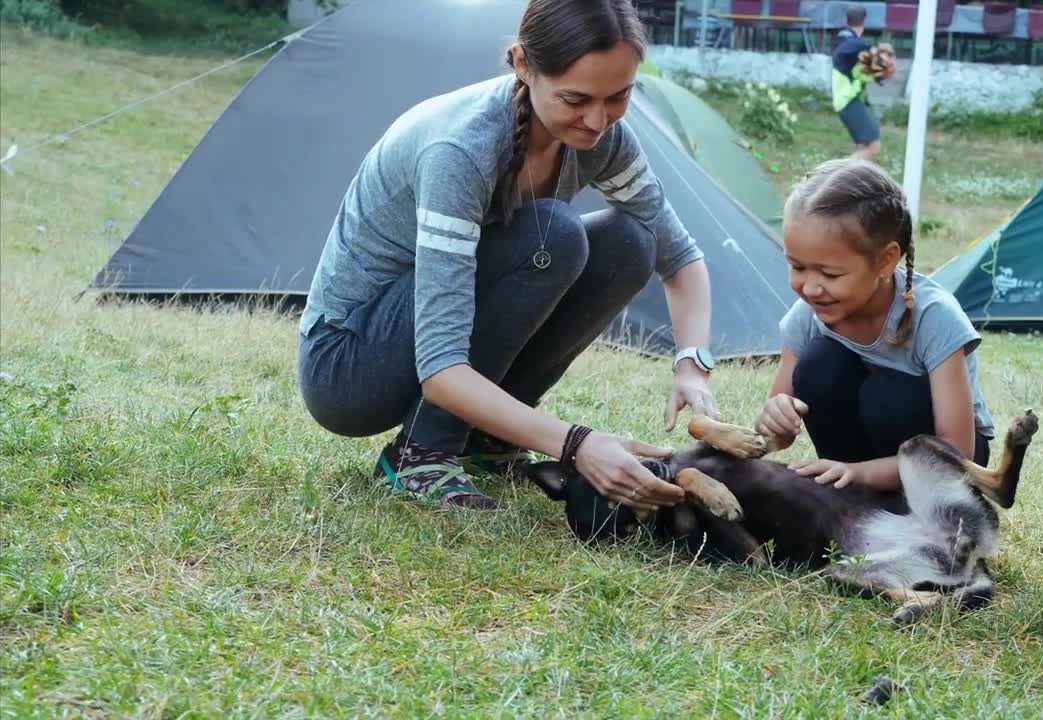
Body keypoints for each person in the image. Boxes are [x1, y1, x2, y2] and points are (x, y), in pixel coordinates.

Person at [296, 0, 721, 512]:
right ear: (523, 64)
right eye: (576, 98)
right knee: (554, 237)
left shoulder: (604, 138)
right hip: (348, 366)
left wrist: (692, 364)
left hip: (423, 348)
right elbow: (442, 368)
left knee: (632, 242)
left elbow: (678, 257)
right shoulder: (462, 150)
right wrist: (577, 443)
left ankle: (487, 441)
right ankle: (421, 453)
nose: (597, 120)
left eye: (619, 96)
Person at [753, 158, 995, 491]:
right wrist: (775, 417)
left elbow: (957, 453)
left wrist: (860, 473)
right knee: (818, 365)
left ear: (885, 261)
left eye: (830, 274)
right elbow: (775, 436)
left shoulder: (936, 317)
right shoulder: (807, 314)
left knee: (887, 396)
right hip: (857, 464)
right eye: (797, 267)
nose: (810, 288)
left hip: (949, 468)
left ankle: (889, 498)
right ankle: (857, 496)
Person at [831, 6, 883, 162]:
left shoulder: (842, 40)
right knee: (873, 146)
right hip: (849, 100)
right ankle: (837, 175)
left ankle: (854, 183)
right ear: (864, 23)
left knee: (863, 148)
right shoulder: (851, 44)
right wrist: (870, 50)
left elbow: (860, 73)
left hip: (848, 100)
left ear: (847, 21)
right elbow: (852, 49)